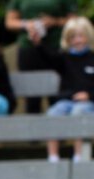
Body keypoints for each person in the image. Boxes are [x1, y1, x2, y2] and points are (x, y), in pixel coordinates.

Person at [5, 0, 76, 114]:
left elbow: (75, 21)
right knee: (32, 99)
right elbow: (9, 22)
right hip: (28, 47)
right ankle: (33, 130)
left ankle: (57, 130)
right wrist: (28, 24)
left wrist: (55, 22)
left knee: (57, 96)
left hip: (55, 48)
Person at [41, 17, 94, 163]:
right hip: (67, 101)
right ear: (67, 40)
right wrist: (39, 42)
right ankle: (53, 157)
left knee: (79, 112)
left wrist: (89, 95)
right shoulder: (64, 58)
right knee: (53, 113)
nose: (77, 40)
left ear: (88, 36)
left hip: (89, 104)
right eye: (72, 37)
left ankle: (79, 156)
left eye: (80, 36)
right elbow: (47, 57)